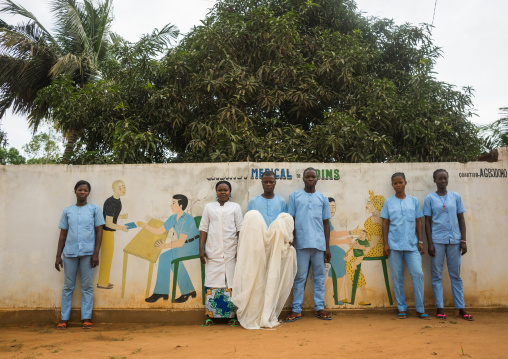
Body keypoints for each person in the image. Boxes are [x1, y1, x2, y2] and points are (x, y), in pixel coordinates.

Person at [424, 169, 473, 321]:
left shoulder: (455, 197)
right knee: (437, 275)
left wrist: (463, 241)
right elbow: (427, 221)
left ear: (448, 179)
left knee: (456, 275)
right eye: (439, 178)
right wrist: (430, 243)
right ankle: (440, 308)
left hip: (454, 240)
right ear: (435, 180)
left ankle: (461, 308)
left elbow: (461, 219)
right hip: (437, 240)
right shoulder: (429, 198)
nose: (442, 181)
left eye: (445, 178)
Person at [55, 180, 105, 329]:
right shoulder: (67, 211)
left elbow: (99, 231)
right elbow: (63, 234)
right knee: (68, 286)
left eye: (85, 190)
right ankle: (64, 319)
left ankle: (86, 319)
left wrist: (96, 253)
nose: (82, 192)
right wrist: (58, 256)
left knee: (87, 286)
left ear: (88, 193)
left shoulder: (94, 209)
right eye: (79, 190)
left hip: (88, 253)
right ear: (75, 191)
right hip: (69, 253)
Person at [381, 172, 430, 319]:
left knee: (418, 274)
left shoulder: (413, 201)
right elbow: (384, 223)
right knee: (397, 277)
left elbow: (419, 221)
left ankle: (420, 309)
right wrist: (385, 244)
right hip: (394, 245)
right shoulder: (389, 202)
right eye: (395, 183)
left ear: (405, 183)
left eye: (400, 182)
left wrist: (420, 242)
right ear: (392, 185)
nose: (398, 185)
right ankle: (402, 308)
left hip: (412, 245)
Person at [285, 167, 331, 322]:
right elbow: (290, 219)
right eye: (307, 177)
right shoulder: (295, 196)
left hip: (319, 244)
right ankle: (296, 309)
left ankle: (320, 308)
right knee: (299, 277)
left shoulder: (323, 198)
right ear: (303, 179)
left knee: (319, 277)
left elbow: (326, 223)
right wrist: (290, 239)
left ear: (317, 179)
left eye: (313, 177)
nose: (310, 179)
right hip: (301, 244)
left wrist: (327, 247)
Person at [139, 194, 200, 303]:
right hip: (184, 245)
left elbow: (180, 242)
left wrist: (165, 246)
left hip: (193, 246)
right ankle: (188, 290)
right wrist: (145, 226)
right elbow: (159, 231)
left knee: (166, 257)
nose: (171, 205)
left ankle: (162, 292)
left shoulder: (187, 219)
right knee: (169, 259)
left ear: (181, 205)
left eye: (173, 203)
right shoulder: (173, 218)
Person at [199, 181, 243, 326]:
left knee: (231, 283)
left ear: (230, 192)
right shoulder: (209, 207)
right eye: (220, 190)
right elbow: (204, 228)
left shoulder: (235, 207)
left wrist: (240, 248)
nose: (223, 192)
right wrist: (201, 248)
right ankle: (210, 316)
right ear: (216, 192)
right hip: (213, 252)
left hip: (231, 251)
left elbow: (239, 229)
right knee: (212, 282)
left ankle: (232, 317)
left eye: (225, 190)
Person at [97, 180, 128, 289]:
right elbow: (108, 222)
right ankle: (102, 283)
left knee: (108, 257)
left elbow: (110, 216)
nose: (123, 189)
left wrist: (121, 217)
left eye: (123, 186)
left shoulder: (117, 201)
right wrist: (122, 228)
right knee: (106, 258)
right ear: (114, 189)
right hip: (106, 232)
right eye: (120, 187)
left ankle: (103, 281)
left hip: (109, 232)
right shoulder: (111, 202)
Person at [325, 197, 350, 305]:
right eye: (329, 207)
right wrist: (349, 234)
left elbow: (333, 236)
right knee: (339, 274)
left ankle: (334, 296)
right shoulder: (325, 220)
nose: (332, 209)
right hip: (331, 251)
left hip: (334, 250)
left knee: (332, 276)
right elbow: (333, 237)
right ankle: (336, 296)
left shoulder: (328, 221)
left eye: (334, 207)